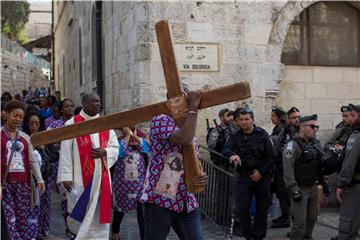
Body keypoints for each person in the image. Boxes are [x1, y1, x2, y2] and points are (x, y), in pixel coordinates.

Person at [142, 84, 208, 240]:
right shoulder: (160, 120)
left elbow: (195, 157)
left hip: (186, 199)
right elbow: (184, 139)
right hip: (160, 198)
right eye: (185, 97)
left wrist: (201, 174)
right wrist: (193, 108)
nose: (189, 100)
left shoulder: (188, 126)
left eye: (189, 97)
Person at [57, 93, 119, 239]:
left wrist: (105, 151)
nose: (98, 104)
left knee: (98, 215)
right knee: (82, 212)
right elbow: (65, 152)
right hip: (79, 179)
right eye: (94, 101)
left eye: (99, 101)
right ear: (84, 103)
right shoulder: (72, 124)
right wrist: (66, 176)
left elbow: (115, 147)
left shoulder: (106, 123)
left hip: (101, 177)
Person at [223, 107, 275, 240]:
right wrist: (232, 155)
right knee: (242, 209)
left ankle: (259, 236)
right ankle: (248, 236)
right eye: (241, 120)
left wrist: (261, 172)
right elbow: (226, 149)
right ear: (238, 122)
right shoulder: (235, 136)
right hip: (245, 177)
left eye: (247, 119)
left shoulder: (263, 134)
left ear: (252, 120)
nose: (244, 122)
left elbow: (271, 157)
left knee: (262, 210)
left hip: (262, 176)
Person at [1, 100, 45, 239]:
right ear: (6, 115)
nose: (18, 119)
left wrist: (39, 179)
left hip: (23, 186)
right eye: (15, 115)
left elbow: (32, 161)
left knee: (22, 218)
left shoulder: (25, 138)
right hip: (5, 186)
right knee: (9, 220)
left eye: (21, 117)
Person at [282, 114, 323, 240]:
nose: (315, 129)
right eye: (312, 126)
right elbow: (288, 169)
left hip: (312, 187)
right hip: (300, 188)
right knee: (300, 221)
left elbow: (320, 166)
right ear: (303, 127)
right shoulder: (292, 145)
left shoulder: (315, 144)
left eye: (317, 126)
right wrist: (293, 189)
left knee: (312, 218)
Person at [111, 127, 148, 240]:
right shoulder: (115, 138)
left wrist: (134, 137)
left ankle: (144, 236)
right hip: (122, 183)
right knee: (120, 208)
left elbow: (146, 149)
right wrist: (127, 136)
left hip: (139, 183)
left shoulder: (141, 137)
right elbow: (119, 153)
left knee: (142, 211)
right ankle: (115, 232)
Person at [47, 98, 75, 238]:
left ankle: (78, 226)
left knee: (78, 197)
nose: (69, 108)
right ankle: (68, 226)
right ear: (62, 109)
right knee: (65, 199)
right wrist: (61, 145)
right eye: (66, 106)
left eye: (71, 106)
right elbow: (49, 143)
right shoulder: (55, 125)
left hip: (78, 166)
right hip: (61, 165)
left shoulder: (79, 123)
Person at [23, 111, 53, 239]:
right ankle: (32, 232)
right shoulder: (23, 139)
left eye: (37, 123)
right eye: (31, 123)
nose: (34, 126)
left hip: (46, 178)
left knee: (46, 207)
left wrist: (43, 149)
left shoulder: (45, 138)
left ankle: (43, 231)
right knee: (33, 207)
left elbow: (52, 157)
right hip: (30, 181)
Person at [332, 104, 360, 240]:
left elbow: (349, 163)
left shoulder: (356, 135)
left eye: (354, 116)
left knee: (347, 225)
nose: (351, 119)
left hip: (354, 186)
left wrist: (341, 184)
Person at [269, 106, 291, 228]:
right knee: (278, 191)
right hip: (276, 165)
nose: (272, 118)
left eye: (273, 116)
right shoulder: (277, 129)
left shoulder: (285, 130)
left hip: (282, 166)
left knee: (283, 192)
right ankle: (284, 215)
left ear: (279, 117)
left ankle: (286, 217)